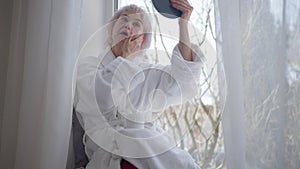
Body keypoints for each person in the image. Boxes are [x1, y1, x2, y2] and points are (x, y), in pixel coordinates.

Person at [74, 1, 204, 169]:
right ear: (111, 30)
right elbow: (102, 99)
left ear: (143, 39)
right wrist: (125, 58)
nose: (129, 25)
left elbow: (183, 82)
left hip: (147, 153)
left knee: (180, 160)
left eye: (136, 24)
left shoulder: (147, 73)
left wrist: (183, 24)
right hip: (108, 156)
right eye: (124, 19)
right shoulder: (90, 67)